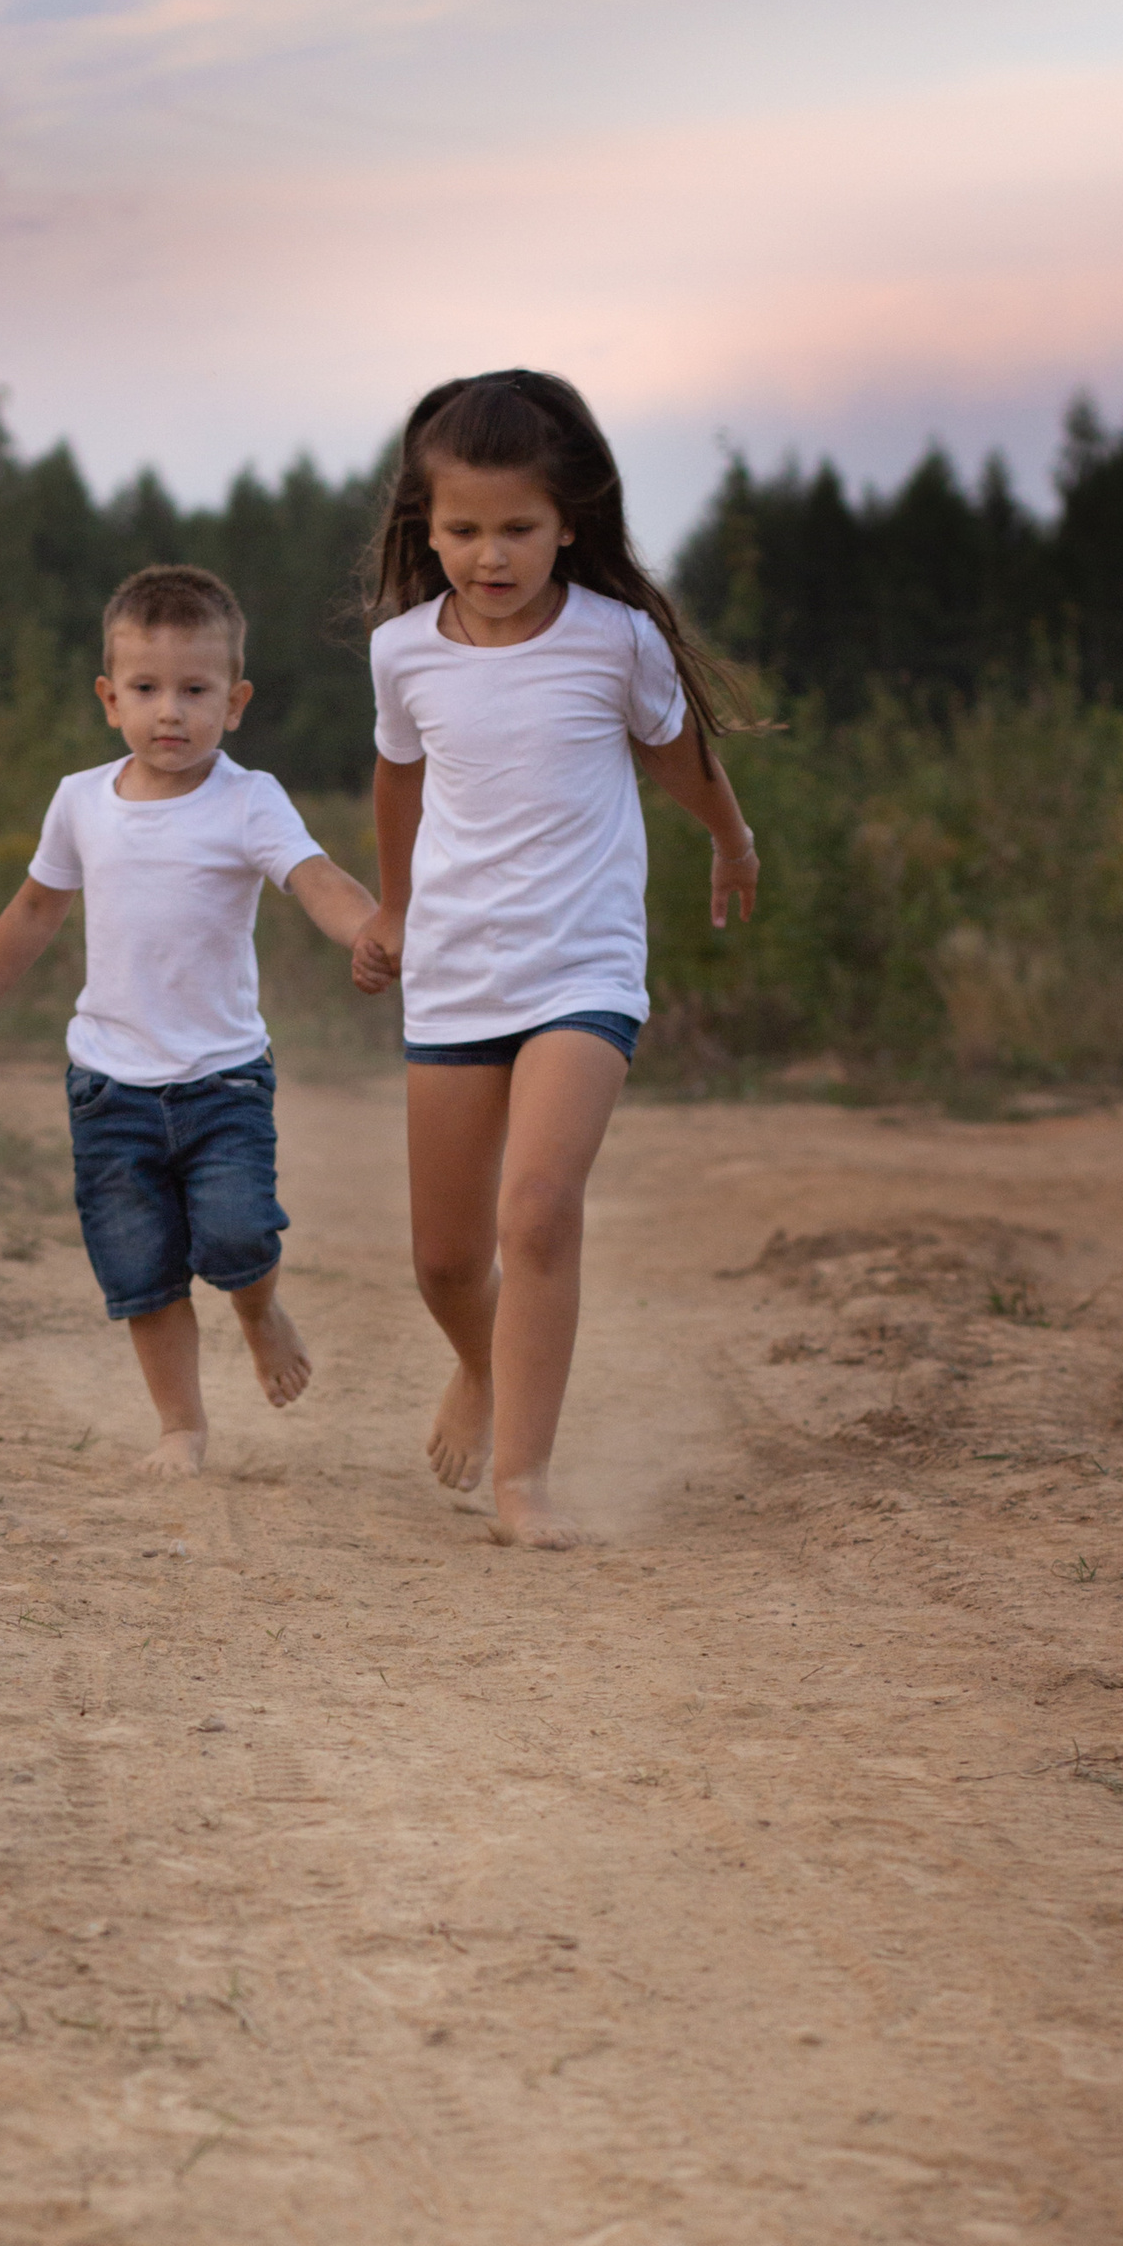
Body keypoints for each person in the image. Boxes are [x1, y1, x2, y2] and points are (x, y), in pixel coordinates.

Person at [350, 370, 758, 1550]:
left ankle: (522, 1481)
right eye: (464, 529)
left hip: (582, 968)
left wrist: (730, 840)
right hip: (457, 972)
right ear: (425, 529)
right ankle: (480, 1367)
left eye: (517, 528)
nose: (491, 554)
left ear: (568, 521)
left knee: (535, 1213)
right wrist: (391, 904)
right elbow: (398, 778)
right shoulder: (403, 655)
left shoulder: (614, 639)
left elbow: (678, 757)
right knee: (441, 1261)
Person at [0, 563, 380, 1476]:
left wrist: (369, 930)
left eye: (195, 690)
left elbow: (313, 878)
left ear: (236, 701)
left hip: (224, 1079)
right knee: (141, 1270)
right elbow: (35, 910)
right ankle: (182, 1427)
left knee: (241, 1233)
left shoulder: (249, 799)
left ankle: (259, 1310)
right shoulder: (80, 801)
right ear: (109, 697)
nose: (170, 711)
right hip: (109, 1086)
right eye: (146, 689)